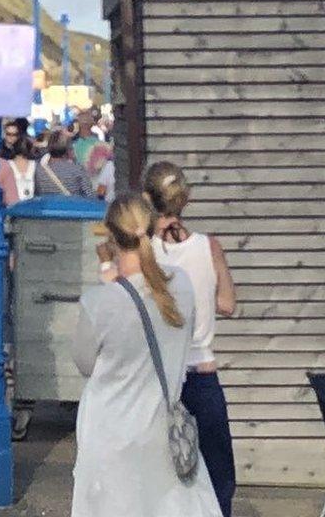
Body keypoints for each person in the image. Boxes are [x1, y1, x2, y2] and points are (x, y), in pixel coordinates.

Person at [72, 195, 223, 517]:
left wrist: (105, 273)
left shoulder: (98, 302)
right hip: (163, 432)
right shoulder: (180, 284)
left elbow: (85, 364)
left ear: (111, 237)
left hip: (110, 433)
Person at [143, 162, 238, 516]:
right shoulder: (208, 246)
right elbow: (228, 304)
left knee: (163, 474)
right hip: (202, 371)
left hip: (161, 377)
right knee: (218, 474)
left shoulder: (145, 252)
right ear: (188, 198)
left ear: (148, 199)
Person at [35, 128, 93, 198]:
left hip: (48, 207)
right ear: (67, 149)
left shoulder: (38, 170)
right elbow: (89, 195)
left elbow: (36, 194)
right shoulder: (77, 169)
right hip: (72, 207)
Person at [0, 122, 40, 207]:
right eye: (8, 134)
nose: (11, 138)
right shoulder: (1, 157)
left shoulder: (34, 163)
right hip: (11, 205)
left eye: (14, 135)